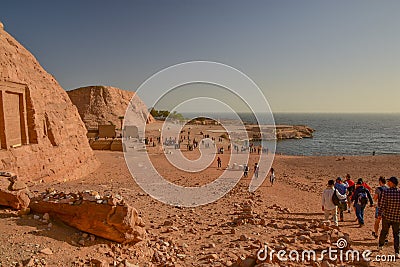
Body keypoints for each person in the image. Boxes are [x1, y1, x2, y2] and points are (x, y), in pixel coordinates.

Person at [378, 177, 400, 259]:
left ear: (392, 183)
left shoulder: (386, 192)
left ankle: (380, 245)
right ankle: (397, 252)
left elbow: (382, 204)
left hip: (387, 216)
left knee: (384, 231)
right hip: (397, 217)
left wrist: (379, 214)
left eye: (389, 181)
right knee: (396, 234)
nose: (388, 183)